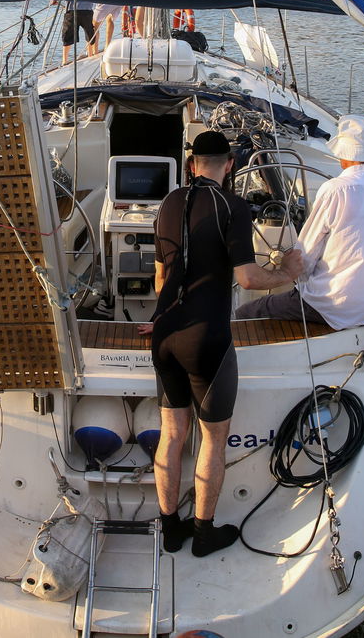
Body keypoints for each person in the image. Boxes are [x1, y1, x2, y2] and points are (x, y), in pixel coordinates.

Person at [142, 131, 304, 557]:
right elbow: (249, 279)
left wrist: (159, 320)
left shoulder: (168, 203)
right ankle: (204, 532)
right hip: (205, 339)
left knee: (171, 434)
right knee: (211, 439)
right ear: (229, 164)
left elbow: (162, 279)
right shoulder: (234, 206)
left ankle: (170, 528)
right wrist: (290, 273)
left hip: (164, 334)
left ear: (192, 163)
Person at [234, 115, 364, 330]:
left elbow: (305, 256)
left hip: (330, 305)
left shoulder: (335, 190)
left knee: (246, 312)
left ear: (342, 153)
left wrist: (289, 275)